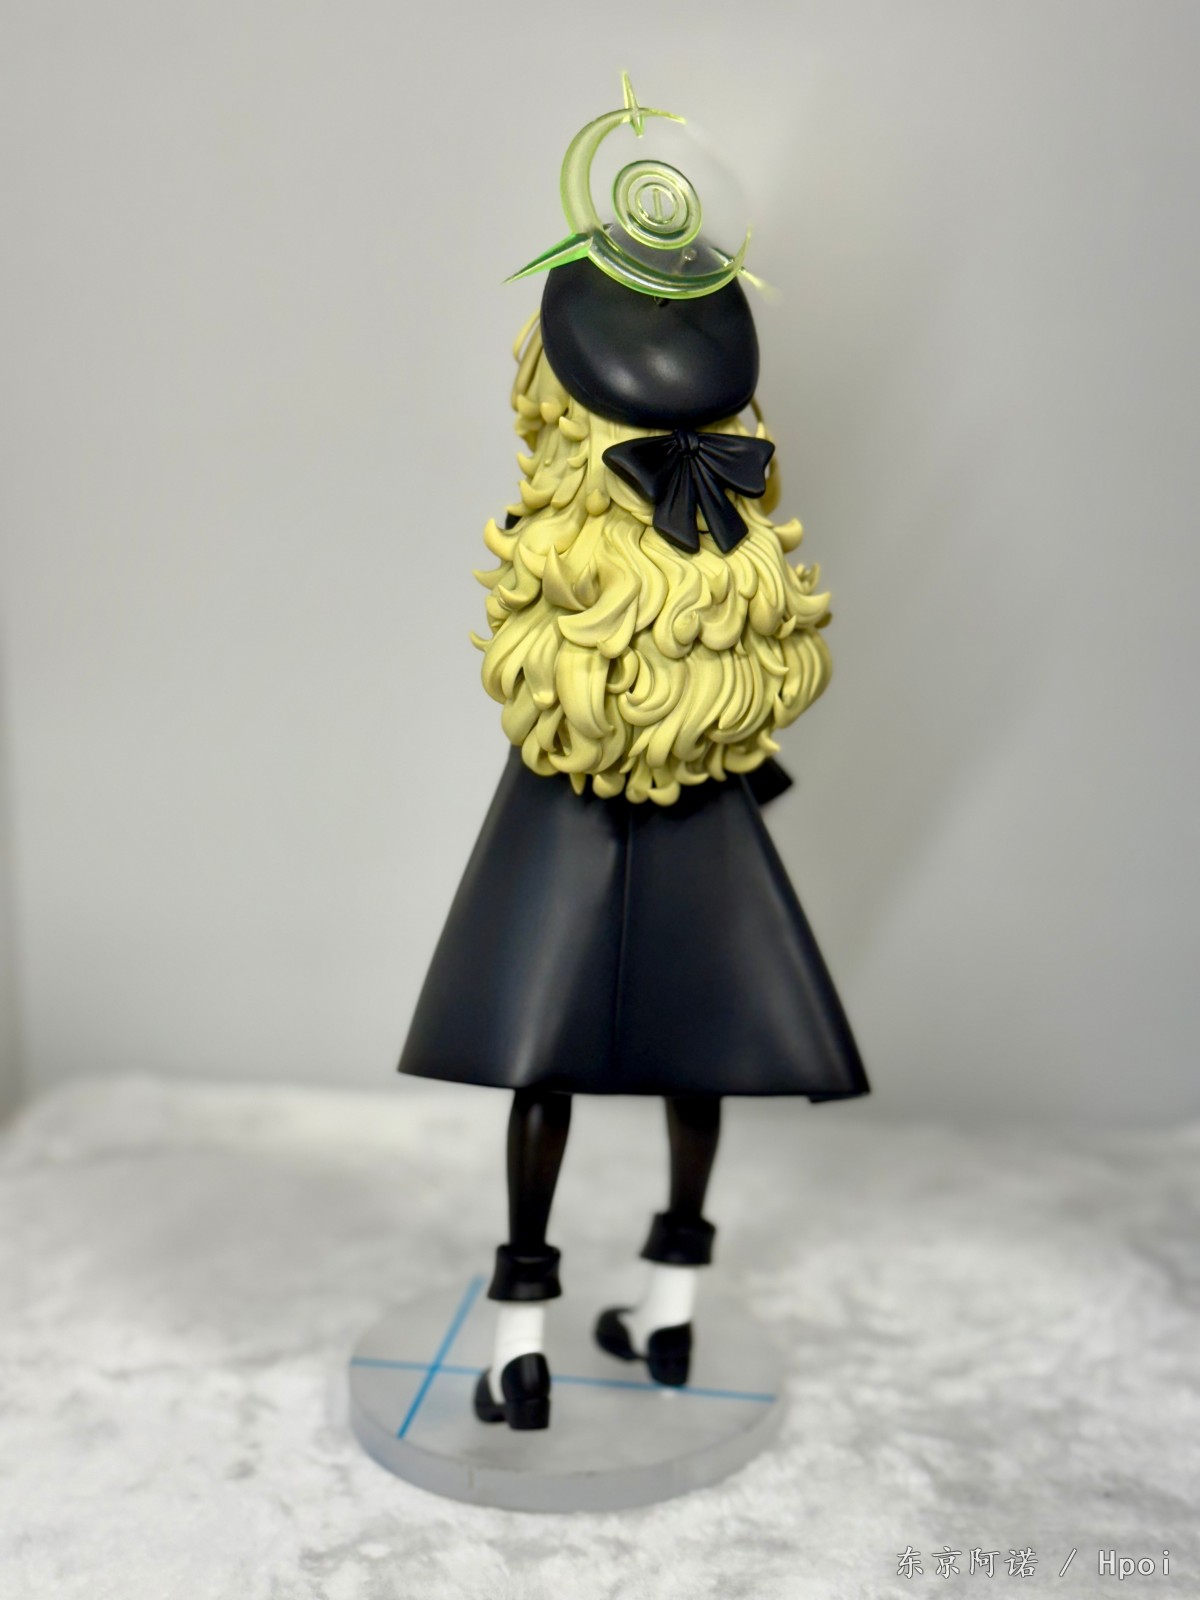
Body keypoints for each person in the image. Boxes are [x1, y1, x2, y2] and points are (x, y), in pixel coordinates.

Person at [398, 83, 869, 1432]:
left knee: (551, 1060)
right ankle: (665, 1314)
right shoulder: (725, 551)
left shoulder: (572, 548)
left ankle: (528, 1343)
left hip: (571, 808)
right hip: (697, 809)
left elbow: (537, 668)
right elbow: (759, 669)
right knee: (693, 1053)